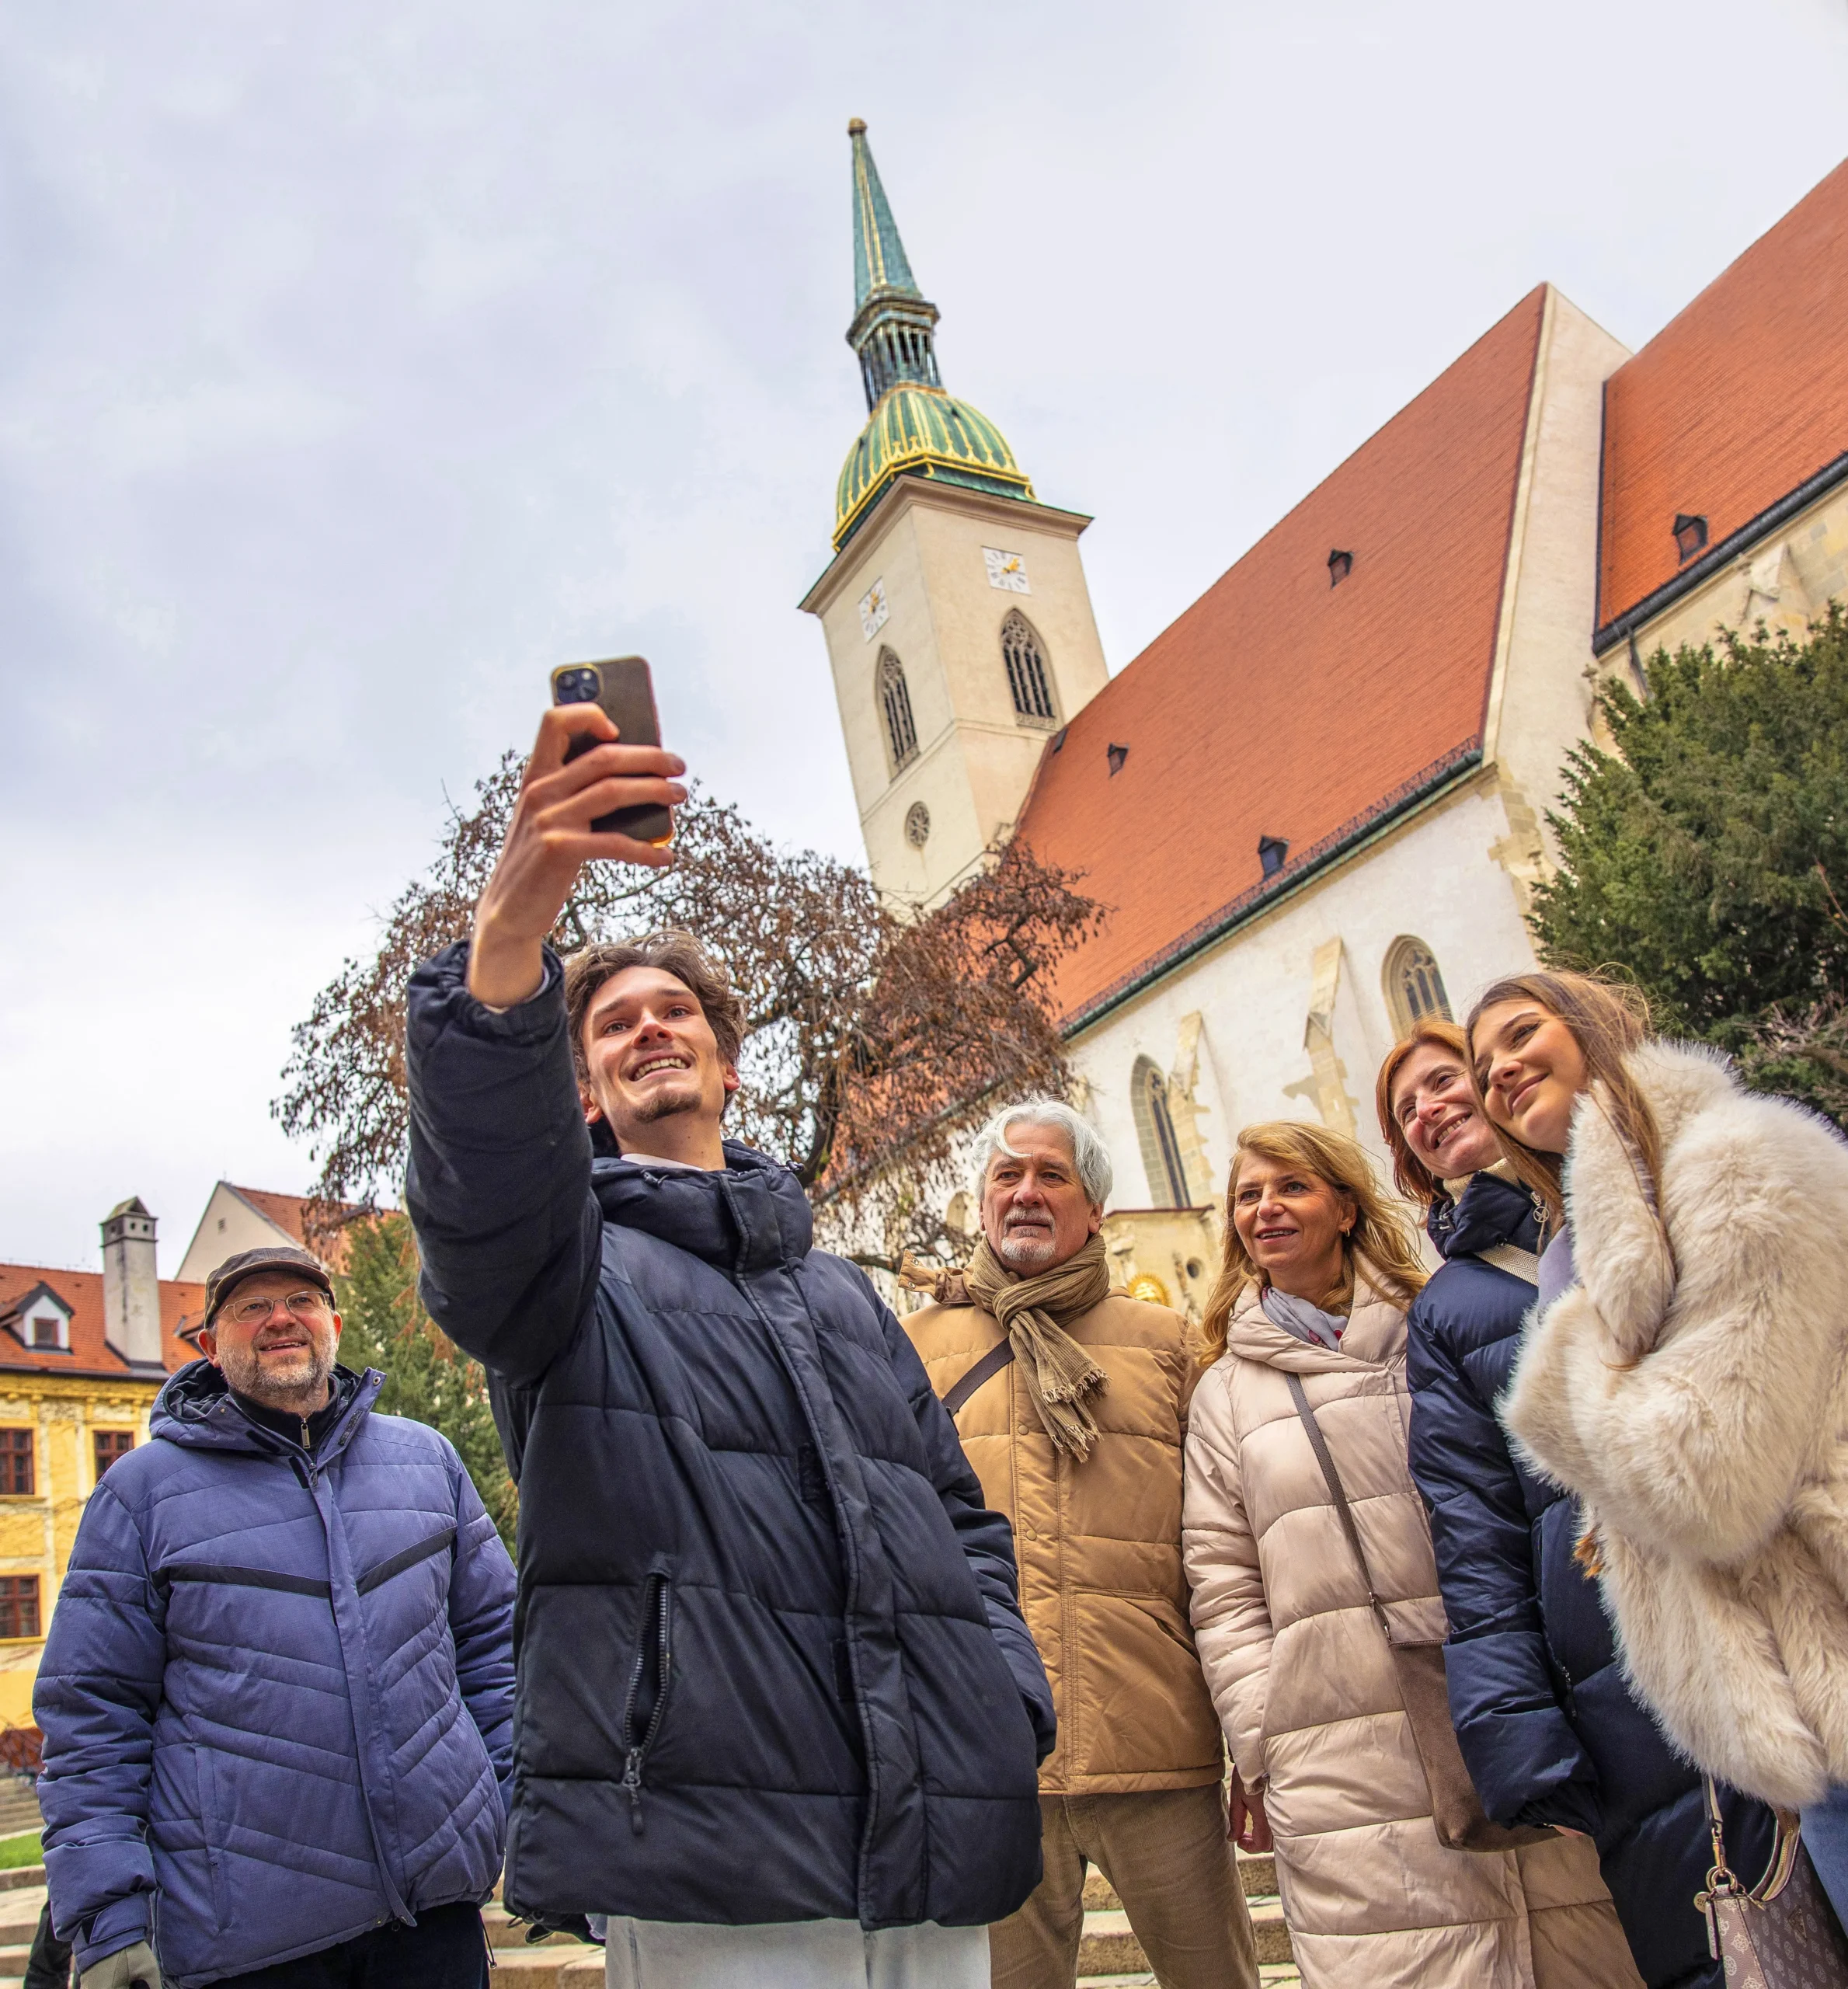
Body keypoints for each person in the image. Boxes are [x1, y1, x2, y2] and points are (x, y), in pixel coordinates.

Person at [402, 703, 1053, 1989]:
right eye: (612, 1024)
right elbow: (478, 1205)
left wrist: (997, 1694)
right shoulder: (563, 1269)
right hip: (706, 1834)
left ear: (727, 1065)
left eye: (674, 1013)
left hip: (928, 1819)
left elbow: (959, 1520)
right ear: (577, 1089)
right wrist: (510, 937)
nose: (650, 1027)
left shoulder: (841, 1295)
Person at [1182, 1120, 1634, 1987]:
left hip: (1503, 1695)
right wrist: (1266, 1735)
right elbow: (1222, 1583)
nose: (1267, 1208)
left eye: (1293, 1186)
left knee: (1580, 1947)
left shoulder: (1443, 1320)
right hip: (1339, 1745)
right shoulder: (1224, 1395)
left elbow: (1531, 1493)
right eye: (1248, 1194)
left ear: (1346, 1206)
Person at [1380, 1020, 1774, 1987]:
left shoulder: (1665, 1192)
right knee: (1723, 1942)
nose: (1433, 1107)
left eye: (1448, 1080)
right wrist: (1517, 1729)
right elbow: (1476, 1532)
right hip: (1617, 1664)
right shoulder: (1450, 1308)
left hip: (1768, 1597)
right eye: (1405, 1112)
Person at [1471, 970, 1848, 1925]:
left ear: (1596, 1023)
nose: (1501, 1071)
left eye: (1522, 1034)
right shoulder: (1597, 1235)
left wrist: (1559, 1376)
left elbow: (1703, 1480)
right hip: (1801, 1705)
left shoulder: (1735, 1164)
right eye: (1483, 1064)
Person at [35, 1243, 517, 1989]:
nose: (280, 1319)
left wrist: (531, 1825)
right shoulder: (142, 1493)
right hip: (247, 1944)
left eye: (300, 1300)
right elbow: (93, 1717)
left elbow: (498, 1657)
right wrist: (107, 1917)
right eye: (250, 1307)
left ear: (335, 1324)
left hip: (433, 1924)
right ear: (208, 1347)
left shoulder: (427, 1463)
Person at [900, 1101, 1258, 1989]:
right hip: (992, 1757)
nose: (1026, 1192)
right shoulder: (910, 1350)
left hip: (1159, 1748)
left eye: (1051, 1175)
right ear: (981, 1202)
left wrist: (1251, 1736)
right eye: (1007, 1174)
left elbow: (1229, 1552)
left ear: (1095, 1209)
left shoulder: (1171, 1347)